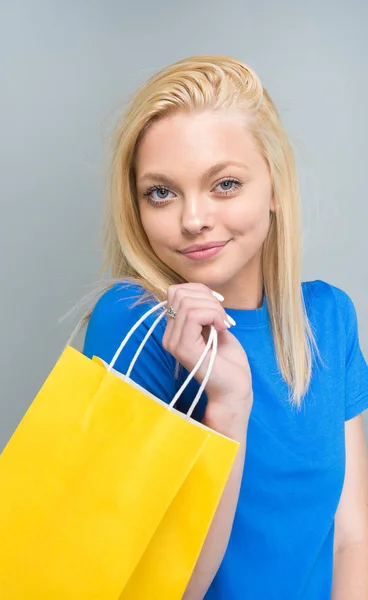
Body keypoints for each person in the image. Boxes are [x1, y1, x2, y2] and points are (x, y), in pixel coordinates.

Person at [80, 55, 368, 599]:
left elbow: (351, 537)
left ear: (276, 189)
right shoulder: (133, 324)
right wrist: (228, 409)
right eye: (160, 192)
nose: (192, 219)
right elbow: (148, 589)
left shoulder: (329, 320)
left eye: (225, 184)